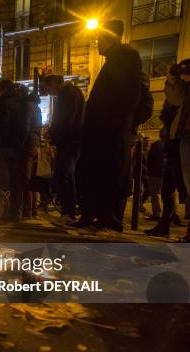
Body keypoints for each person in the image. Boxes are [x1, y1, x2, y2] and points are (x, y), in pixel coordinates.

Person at [74, 20, 142, 232]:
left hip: (110, 131)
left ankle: (107, 218)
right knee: (94, 173)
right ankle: (93, 214)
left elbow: (129, 96)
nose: (97, 44)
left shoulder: (126, 59)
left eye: (99, 39)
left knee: (108, 174)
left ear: (109, 38)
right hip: (101, 131)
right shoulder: (115, 60)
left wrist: (119, 124)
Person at [145, 59, 190, 240]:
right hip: (175, 140)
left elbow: (176, 97)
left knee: (185, 186)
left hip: (184, 138)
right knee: (169, 186)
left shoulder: (185, 91)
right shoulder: (182, 91)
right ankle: (165, 223)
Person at [43, 74, 85, 226]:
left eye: (47, 86)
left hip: (69, 141)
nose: (47, 91)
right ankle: (68, 212)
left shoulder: (69, 94)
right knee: (66, 175)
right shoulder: (70, 94)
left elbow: (66, 118)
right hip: (70, 141)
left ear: (55, 83)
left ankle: (68, 213)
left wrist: (53, 133)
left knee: (65, 175)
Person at [0, 79, 32, 222]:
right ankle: (16, 212)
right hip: (18, 147)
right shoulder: (24, 102)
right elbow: (26, 125)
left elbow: (0, 123)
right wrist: (20, 143)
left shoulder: (1, 101)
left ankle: (3, 211)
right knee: (17, 181)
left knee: (2, 181)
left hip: (2, 145)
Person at [23, 90, 42, 218]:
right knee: (33, 177)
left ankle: (28, 209)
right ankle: (34, 207)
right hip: (35, 143)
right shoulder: (38, 109)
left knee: (26, 176)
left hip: (28, 142)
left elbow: (26, 125)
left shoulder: (28, 107)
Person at [145, 138, 164, 220]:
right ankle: (174, 214)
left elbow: (150, 159)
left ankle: (157, 214)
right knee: (171, 194)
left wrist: (149, 171)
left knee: (156, 194)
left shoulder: (156, 145)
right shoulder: (169, 143)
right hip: (166, 172)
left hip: (156, 173)